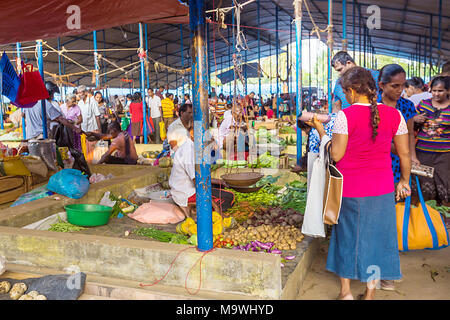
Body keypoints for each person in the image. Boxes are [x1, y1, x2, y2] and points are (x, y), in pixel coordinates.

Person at [309, 66, 411, 300]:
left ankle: (345, 292)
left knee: (346, 236)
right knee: (377, 238)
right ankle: (370, 293)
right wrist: (403, 180)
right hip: (383, 187)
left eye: (345, 92)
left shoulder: (346, 115)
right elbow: (404, 154)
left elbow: (336, 155)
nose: (344, 97)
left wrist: (320, 129)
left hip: (350, 189)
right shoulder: (395, 115)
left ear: (353, 91)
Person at [411, 76, 450, 207]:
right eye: (433, 90)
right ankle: (424, 215)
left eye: (440, 91)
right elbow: (410, 125)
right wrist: (415, 119)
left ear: (447, 91)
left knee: (444, 183)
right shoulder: (423, 104)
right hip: (422, 154)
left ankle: (444, 220)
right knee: (423, 184)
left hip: (444, 155)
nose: (436, 94)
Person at [77, 85, 101, 163]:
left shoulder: (92, 101)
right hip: (84, 131)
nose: (80, 95)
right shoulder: (80, 103)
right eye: (78, 93)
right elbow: (79, 117)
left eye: (81, 93)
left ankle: (96, 168)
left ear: (85, 93)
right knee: (87, 152)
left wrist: (99, 131)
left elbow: (97, 116)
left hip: (93, 129)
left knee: (94, 153)